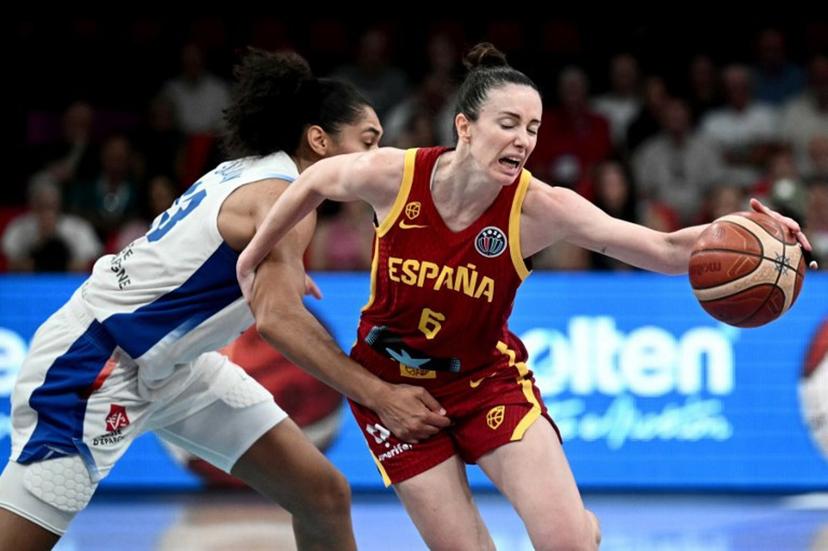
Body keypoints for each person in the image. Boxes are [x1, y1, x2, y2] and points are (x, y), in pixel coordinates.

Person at [237, 43, 817, 550]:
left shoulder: (540, 207)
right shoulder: (396, 175)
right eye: (508, 123)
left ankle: (576, 527)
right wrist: (256, 252)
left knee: (566, 541)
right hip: (390, 384)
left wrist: (751, 230)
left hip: (485, 378)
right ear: (464, 126)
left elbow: (664, 249)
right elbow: (312, 180)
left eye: (534, 128)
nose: (523, 140)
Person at [0, 48, 449, 551]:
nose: (376, 159)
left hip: (178, 369)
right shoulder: (284, 199)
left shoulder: (252, 172)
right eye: (367, 141)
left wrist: (282, 274)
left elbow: (199, 258)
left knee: (322, 495)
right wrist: (381, 395)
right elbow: (278, 322)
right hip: (95, 365)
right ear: (318, 140)